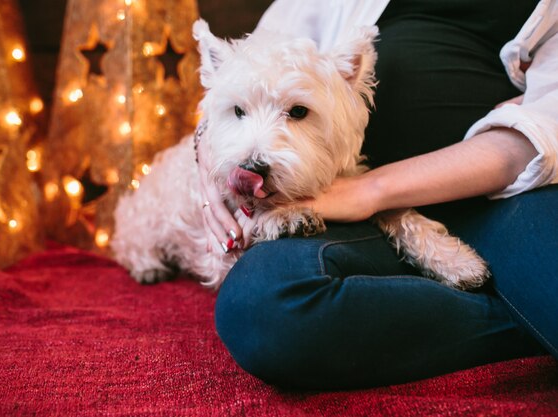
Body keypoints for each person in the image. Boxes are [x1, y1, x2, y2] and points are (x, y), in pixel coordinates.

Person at [197, 0, 558, 389]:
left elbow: (543, 129)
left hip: (510, 194)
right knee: (259, 306)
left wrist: (372, 190)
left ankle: (514, 312)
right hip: (339, 203)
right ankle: (521, 319)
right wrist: (206, 146)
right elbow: (248, 68)